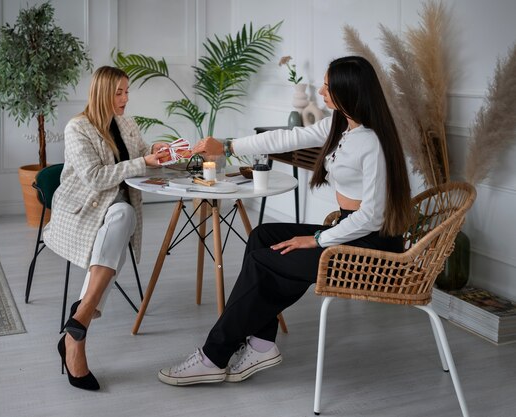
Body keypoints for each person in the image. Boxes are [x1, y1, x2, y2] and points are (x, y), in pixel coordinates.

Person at [157, 56, 413, 386]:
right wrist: (230, 146)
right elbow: (286, 138)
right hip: (348, 232)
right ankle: (262, 344)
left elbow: (372, 217)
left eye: (327, 86)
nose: (321, 91)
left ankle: (213, 356)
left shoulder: (372, 142)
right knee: (262, 236)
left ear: (348, 91)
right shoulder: (339, 125)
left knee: (267, 261)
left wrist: (318, 239)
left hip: (370, 244)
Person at [43, 66, 168, 391]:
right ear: (102, 93)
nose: (126, 99)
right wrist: (144, 163)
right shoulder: (78, 128)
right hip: (84, 208)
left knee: (123, 214)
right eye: (119, 92)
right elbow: (95, 178)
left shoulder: (126, 122)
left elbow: (141, 154)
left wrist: (156, 152)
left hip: (117, 209)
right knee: (122, 216)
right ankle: (79, 325)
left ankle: (78, 324)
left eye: (127, 91)